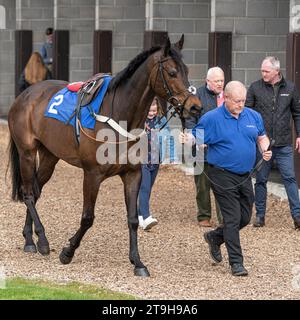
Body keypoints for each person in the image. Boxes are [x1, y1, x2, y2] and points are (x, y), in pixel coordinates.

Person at [180, 81, 272, 276]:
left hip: (245, 174)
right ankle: (236, 263)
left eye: (243, 101)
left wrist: (265, 148)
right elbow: (195, 137)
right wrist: (187, 139)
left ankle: (215, 237)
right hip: (220, 173)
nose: (241, 104)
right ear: (226, 99)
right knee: (232, 218)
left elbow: (262, 136)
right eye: (237, 101)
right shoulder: (211, 119)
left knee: (245, 217)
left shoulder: (253, 116)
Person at [246, 56, 300, 229]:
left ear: (277, 71)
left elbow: (297, 113)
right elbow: (247, 113)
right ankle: (260, 216)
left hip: (284, 144)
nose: (263, 74)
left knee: (290, 178)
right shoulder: (255, 87)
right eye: (262, 70)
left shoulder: (290, 88)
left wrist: (299, 135)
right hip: (263, 144)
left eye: (266, 71)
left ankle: (297, 216)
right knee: (261, 180)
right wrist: (253, 136)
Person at [185, 67, 225, 227]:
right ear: (208, 81)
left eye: (222, 80)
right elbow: (190, 120)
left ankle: (224, 219)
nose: (220, 84)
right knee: (202, 185)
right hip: (201, 149)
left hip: (222, 149)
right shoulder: (197, 97)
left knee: (222, 185)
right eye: (217, 81)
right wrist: (199, 140)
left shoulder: (226, 96)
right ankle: (204, 216)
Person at [138, 97, 173, 231]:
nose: (152, 113)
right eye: (149, 110)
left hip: (156, 159)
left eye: (154, 110)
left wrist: (172, 155)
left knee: (148, 188)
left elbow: (169, 137)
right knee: (144, 187)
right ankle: (146, 217)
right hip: (142, 158)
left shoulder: (162, 120)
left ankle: (139, 215)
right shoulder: (140, 120)